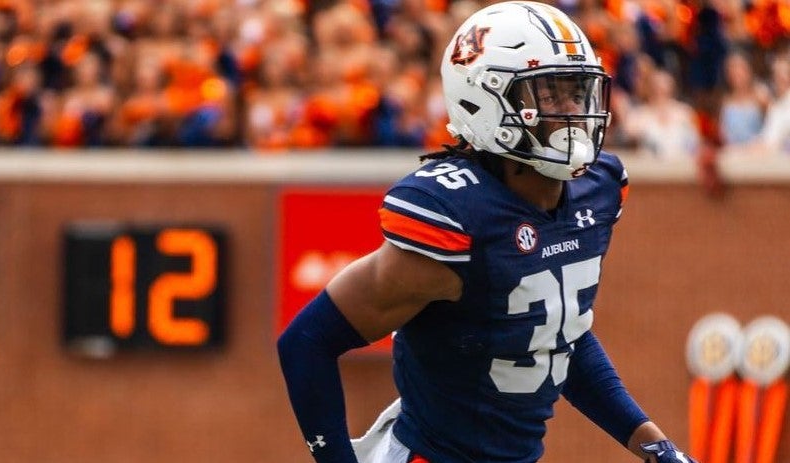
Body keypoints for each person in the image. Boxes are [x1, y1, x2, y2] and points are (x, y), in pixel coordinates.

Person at [277, 2, 698, 463]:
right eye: (550, 95)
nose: (573, 111)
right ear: (484, 100)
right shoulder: (458, 214)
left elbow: (557, 331)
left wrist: (655, 447)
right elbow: (307, 341)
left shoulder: (595, 192)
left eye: (578, 93)